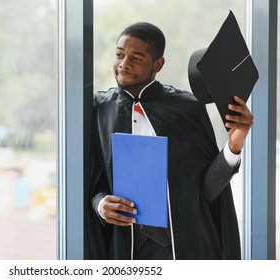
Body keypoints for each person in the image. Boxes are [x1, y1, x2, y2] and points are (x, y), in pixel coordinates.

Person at [85, 22, 253, 260]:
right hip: (123, 249)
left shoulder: (187, 109)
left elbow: (207, 189)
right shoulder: (97, 109)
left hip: (183, 249)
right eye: (120, 55)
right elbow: (91, 181)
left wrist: (234, 144)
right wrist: (100, 205)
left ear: (158, 64)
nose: (124, 64)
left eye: (137, 58)